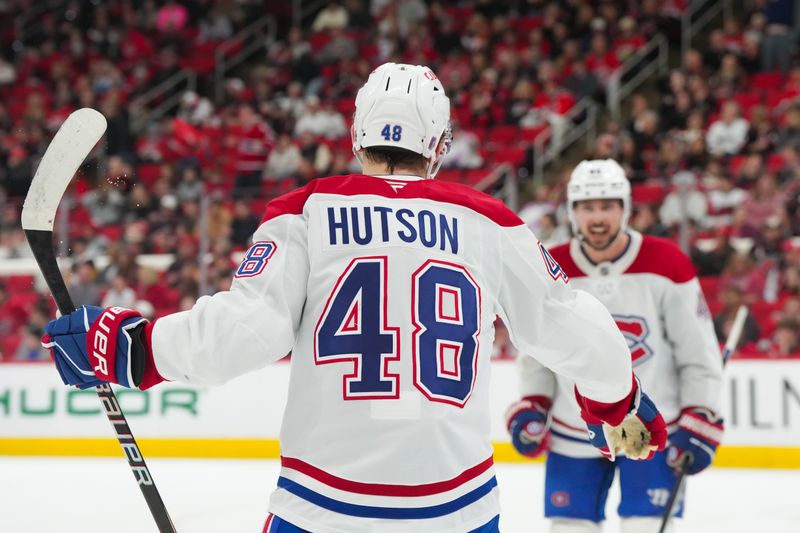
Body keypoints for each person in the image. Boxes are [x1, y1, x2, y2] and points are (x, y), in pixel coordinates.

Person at [41, 64, 666, 533]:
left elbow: (245, 333)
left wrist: (132, 347)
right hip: (457, 509)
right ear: (440, 145)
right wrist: (617, 403)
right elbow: (573, 327)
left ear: (355, 134)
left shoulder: (306, 210)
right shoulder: (488, 221)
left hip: (320, 507)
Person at [506, 160, 724, 533]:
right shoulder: (549, 264)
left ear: (625, 208)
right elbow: (538, 350)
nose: (598, 217)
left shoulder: (667, 262)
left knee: (645, 525)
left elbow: (697, 351)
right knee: (569, 527)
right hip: (573, 429)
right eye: (587, 207)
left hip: (655, 425)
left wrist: (701, 410)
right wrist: (535, 401)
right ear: (572, 212)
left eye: (607, 205)